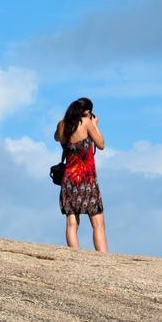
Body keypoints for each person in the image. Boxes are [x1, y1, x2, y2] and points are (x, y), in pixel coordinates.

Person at [54, 97, 107, 252]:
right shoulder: (86, 122)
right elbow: (101, 144)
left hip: (69, 180)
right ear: (87, 111)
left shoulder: (62, 125)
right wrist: (95, 125)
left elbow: (57, 137)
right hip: (87, 179)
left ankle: (75, 255)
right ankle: (103, 257)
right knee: (98, 223)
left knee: (72, 223)